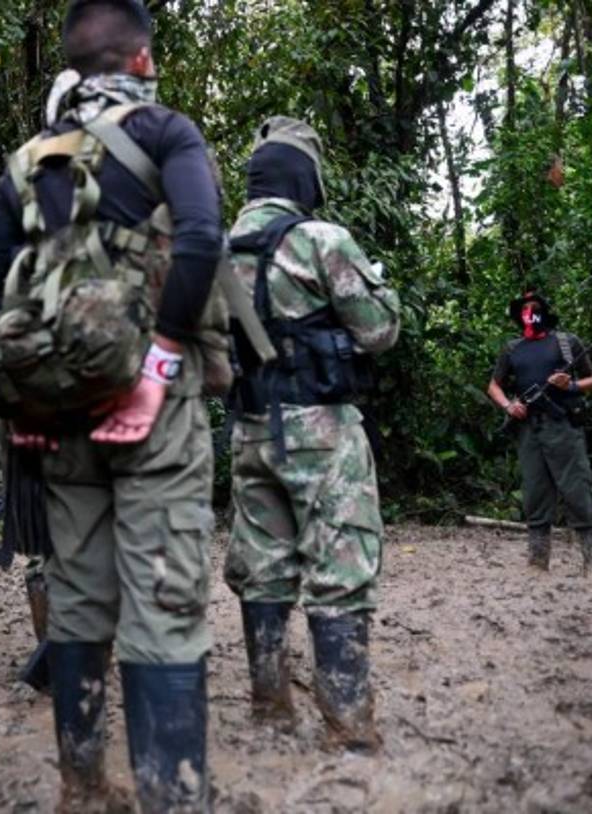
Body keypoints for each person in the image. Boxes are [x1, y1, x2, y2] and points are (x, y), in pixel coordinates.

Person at [0, 2, 223, 809]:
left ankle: (81, 785)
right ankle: (169, 796)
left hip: (58, 420)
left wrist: (24, 381)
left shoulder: (30, 161)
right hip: (155, 416)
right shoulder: (166, 132)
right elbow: (205, 240)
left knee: (76, 600)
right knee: (166, 601)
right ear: (140, 60)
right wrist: (158, 364)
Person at [222, 118, 400, 754]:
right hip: (321, 429)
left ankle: (270, 709)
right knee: (340, 564)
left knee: (263, 568)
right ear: (305, 176)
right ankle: (348, 727)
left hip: (248, 431)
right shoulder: (322, 240)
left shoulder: (215, 249)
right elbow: (380, 330)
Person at [487, 291, 592, 576]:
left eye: (535, 307)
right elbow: (493, 386)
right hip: (529, 430)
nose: (529, 312)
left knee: (576, 490)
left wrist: (570, 386)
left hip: (563, 426)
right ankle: (538, 564)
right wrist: (509, 405)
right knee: (535, 493)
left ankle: (591, 564)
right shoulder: (513, 348)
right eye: (524, 308)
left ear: (545, 312)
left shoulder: (567, 342)